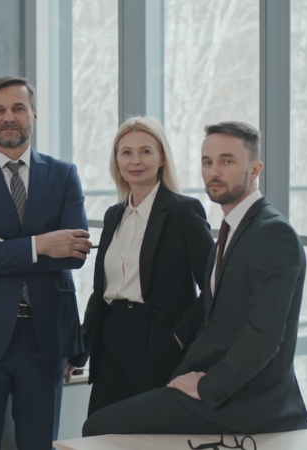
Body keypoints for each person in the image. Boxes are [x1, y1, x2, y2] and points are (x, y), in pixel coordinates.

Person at [82, 121, 307, 436]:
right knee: (102, 425)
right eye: (207, 162)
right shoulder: (233, 230)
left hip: (241, 398)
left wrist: (206, 382)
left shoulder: (271, 233)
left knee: (99, 428)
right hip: (183, 366)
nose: (214, 171)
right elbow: (214, 306)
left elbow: (264, 335)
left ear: (256, 168)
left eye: (227, 161)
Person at [0, 76, 91, 450]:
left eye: (17, 108)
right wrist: (43, 245)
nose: (8, 117)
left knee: (40, 444)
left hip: (47, 336)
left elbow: (73, 253)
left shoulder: (64, 175)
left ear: (34, 115)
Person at [67, 116, 214, 417]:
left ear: (161, 158)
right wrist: (79, 352)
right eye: (126, 152)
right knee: (99, 430)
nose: (135, 160)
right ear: (117, 160)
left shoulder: (183, 212)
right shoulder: (113, 216)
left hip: (159, 338)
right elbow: (102, 290)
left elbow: (214, 285)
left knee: (149, 435)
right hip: (111, 340)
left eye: (145, 151)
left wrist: (178, 338)